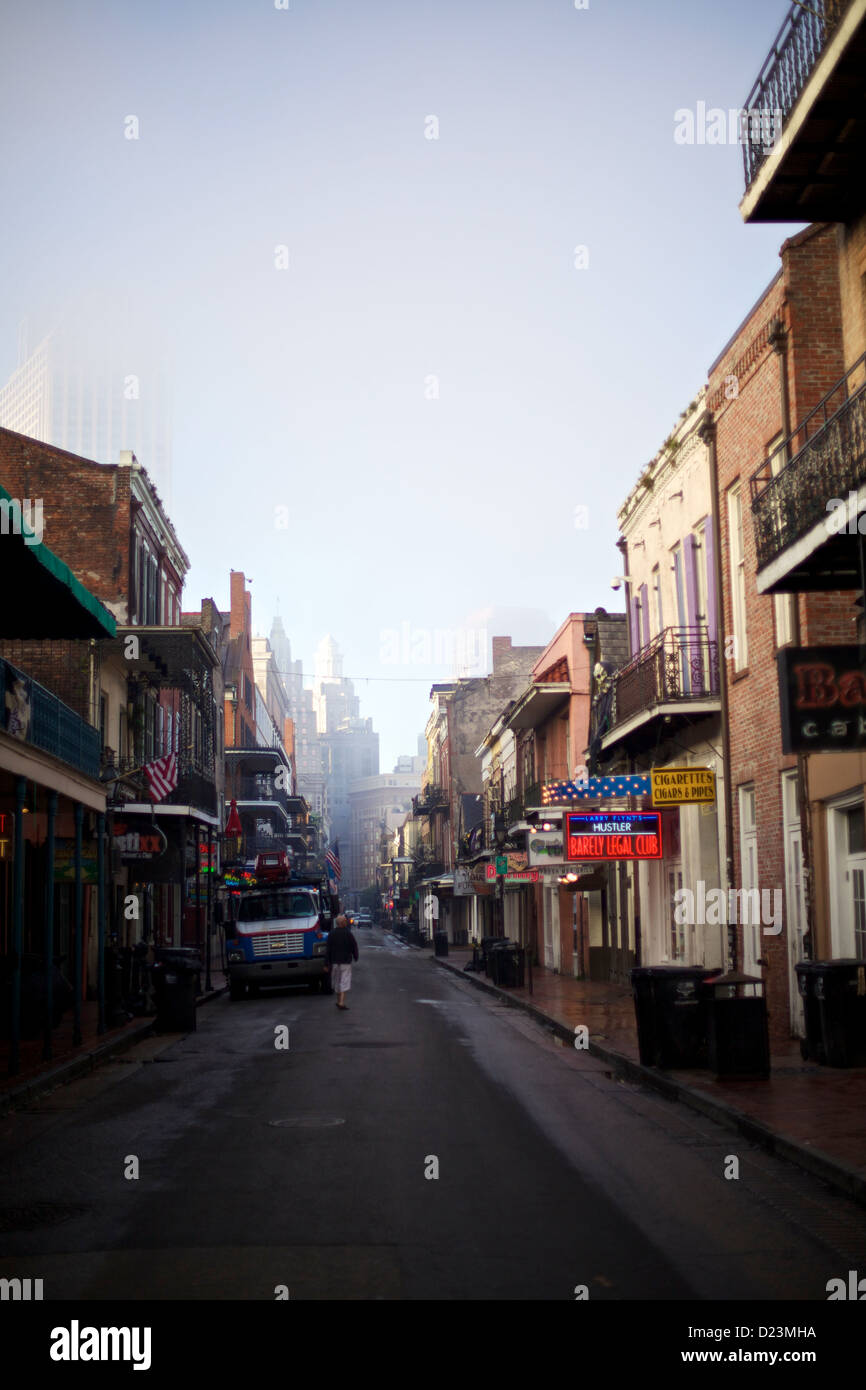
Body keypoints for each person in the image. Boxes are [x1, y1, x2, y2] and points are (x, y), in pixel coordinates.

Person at [325, 913, 359, 1010]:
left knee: (337, 981)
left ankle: (338, 1000)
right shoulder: (348, 933)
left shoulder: (331, 934)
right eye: (345, 921)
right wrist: (355, 956)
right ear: (343, 923)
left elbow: (328, 949)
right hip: (345, 962)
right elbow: (354, 946)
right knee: (344, 981)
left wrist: (326, 963)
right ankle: (341, 1002)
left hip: (335, 962)